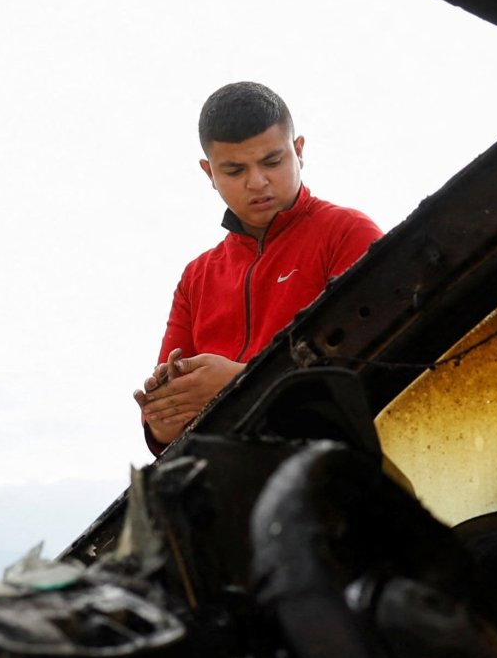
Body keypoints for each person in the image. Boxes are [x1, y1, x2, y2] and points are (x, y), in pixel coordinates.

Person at [136, 81, 383, 448]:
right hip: (229, 488)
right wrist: (163, 418)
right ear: (209, 173)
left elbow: (378, 370)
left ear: (299, 151)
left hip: (332, 478)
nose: (257, 182)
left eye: (272, 161)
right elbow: (170, 434)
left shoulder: (348, 234)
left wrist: (238, 384)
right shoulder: (196, 277)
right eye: (235, 171)